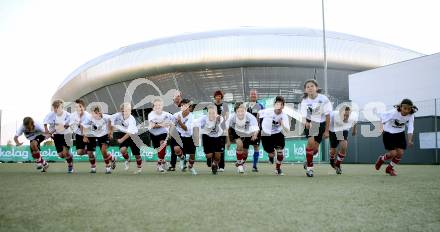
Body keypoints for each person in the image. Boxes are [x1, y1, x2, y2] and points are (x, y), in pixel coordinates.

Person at [375, 99, 417, 176]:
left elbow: (410, 127)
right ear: (400, 107)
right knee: (393, 153)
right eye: (405, 108)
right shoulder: (393, 113)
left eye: (409, 109)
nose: (406, 111)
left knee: (400, 153)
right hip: (388, 133)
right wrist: (381, 129)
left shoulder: (411, 115)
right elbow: (381, 116)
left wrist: (410, 140)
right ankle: (381, 159)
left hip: (400, 134)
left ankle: (389, 168)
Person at [300, 79, 332, 177]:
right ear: (305, 90)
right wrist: (306, 123)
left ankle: (307, 160)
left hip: (321, 124)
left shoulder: (324, 99)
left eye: (312, 86)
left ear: (316, 88)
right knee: (310, 143)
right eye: (307, 87)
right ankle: (310, 169)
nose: (310, 88)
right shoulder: (304, 101)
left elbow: (328, 116)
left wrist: (327, 131)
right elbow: (304, 116)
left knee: (315, 150)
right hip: (310, 124)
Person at [259, 96, 290, 176]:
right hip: (266, 134)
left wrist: (282, 124)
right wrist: (258, 126)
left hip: (277, 134)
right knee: (271, 153)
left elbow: (287, 130)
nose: (279, 106)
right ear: (274, 105)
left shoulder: (284, 116)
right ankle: (271, 156)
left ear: (283, 106)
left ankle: (278, 169)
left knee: (280, 153)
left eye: (281, 105)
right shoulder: (267, 111)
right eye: (277, 104)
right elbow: (258, 114)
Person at [82, 105, 116, 174]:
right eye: (91, 113)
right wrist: (85, 136)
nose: (91, 114)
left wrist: (111, 132)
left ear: (98, 112)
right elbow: (84, 126)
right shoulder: (90, 118)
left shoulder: (106, 117)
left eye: (93, 113)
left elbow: (112, 123)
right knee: (92, 152)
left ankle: (108, 167)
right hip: (94, 136)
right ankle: (112, 158)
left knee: (103, 150)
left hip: (105, 135)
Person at [228, 102, 259, 174]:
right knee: (239, 145)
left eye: (243, 110)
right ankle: (240, 165)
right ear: (235, 111)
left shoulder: (250, 117)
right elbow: (226, 129)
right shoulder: (232, 117)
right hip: (235, 131)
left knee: (245, 153)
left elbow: (256, 127)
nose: (241, 112)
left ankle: (240, 162)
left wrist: (255, 134)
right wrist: (228, 140)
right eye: (238, 110)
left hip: (246, 133)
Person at [44, 99, 74, 173]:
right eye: (55, 107)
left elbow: (62, 126)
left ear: (62, 107)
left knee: (65, 152)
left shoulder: (68, 115)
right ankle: (70, 156)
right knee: (61, 155)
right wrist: (46, 130)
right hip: (57, 136)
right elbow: (45, 122)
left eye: (58, 107)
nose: (56, 109)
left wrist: (49, 134)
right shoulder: (50, 115)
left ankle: (70, 165)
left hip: (67, 134)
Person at [112, 103, 142, 174]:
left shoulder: (132, 119)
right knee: (122, 150)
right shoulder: (117, 115)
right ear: (121, 111)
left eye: (127, 111)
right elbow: (109, 118)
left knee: (137, 155)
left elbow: (129, 133)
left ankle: (139, 168)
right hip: (124, 133)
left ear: (130, 111)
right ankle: (127, 159)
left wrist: (121, 140)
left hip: (133, 135)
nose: (125, 112)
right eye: (123, 111)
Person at [170, 98, 197, 175]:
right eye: (182, 106)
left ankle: (190, 167)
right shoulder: (176, 115)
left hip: (189, 136)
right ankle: (182, 158)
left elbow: (186, 129)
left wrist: (179, 122)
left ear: (189, 107)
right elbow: (172, 125)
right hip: (179, 134)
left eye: (185, 106)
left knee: (192, 157)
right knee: (176, 149)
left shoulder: (192, 117)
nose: (183, 108)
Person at [328, 105, 358, 174]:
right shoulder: (333, 114)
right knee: (333, 151)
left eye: (347, 115)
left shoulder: (354, 115)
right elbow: (326, 121)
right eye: (344, 115)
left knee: (344, 146)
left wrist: (354, 130)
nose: (345, 117)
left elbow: (355, 122)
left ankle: (338, 164)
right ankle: (332, 161)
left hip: (343, 130)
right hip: (333, 130)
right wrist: (326, 131)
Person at [148, 98, 174, 172]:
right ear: (153, 107)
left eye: (159, 105)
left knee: (162, 146)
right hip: (153, 134)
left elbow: (173, 122)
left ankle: (159, 165)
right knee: (159, 150)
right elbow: (153, 125)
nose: (158, 107)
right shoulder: (151, 115)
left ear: (162, 106)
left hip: (163, 133)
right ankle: (163, 161)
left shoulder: (167, 114)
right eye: (156, 105)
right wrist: (163, 124)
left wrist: (170, 132)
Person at [70, 99, 96, 173]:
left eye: (80, 106)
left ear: (83, 107)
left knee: (90, 153)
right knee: (79, 152)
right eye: (77, 107)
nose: (79, 108)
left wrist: (85, 136)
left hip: (90, 134)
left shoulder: (88, 116)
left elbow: (86, 127)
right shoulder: (73, 116)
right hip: (79, 134)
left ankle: (93, 166)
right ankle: (90, 152)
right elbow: (72, 125)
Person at [199, 104, 225, 174]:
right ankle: (210, 158)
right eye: (210, 113)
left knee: (217, 156)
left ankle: (214, 164)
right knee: (209, 155)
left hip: (217, 137)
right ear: (207, 113)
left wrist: (217, 119)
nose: (212, 114)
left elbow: (220, 122)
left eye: (213, 112)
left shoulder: (220, 118)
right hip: (207, 137)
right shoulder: (203, 118)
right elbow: (199, 126)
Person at [246, 89, 264, 172]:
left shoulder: (260, 106)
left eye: (255, 94)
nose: (253, 95)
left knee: (256, 147)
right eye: (252, 94)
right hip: (246, 130)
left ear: (257, 96)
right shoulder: (246, 105)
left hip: (256, 130)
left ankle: (254, 166)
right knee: (244, 148)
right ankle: (242, 164)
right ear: (249, 95)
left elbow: (263, 118)